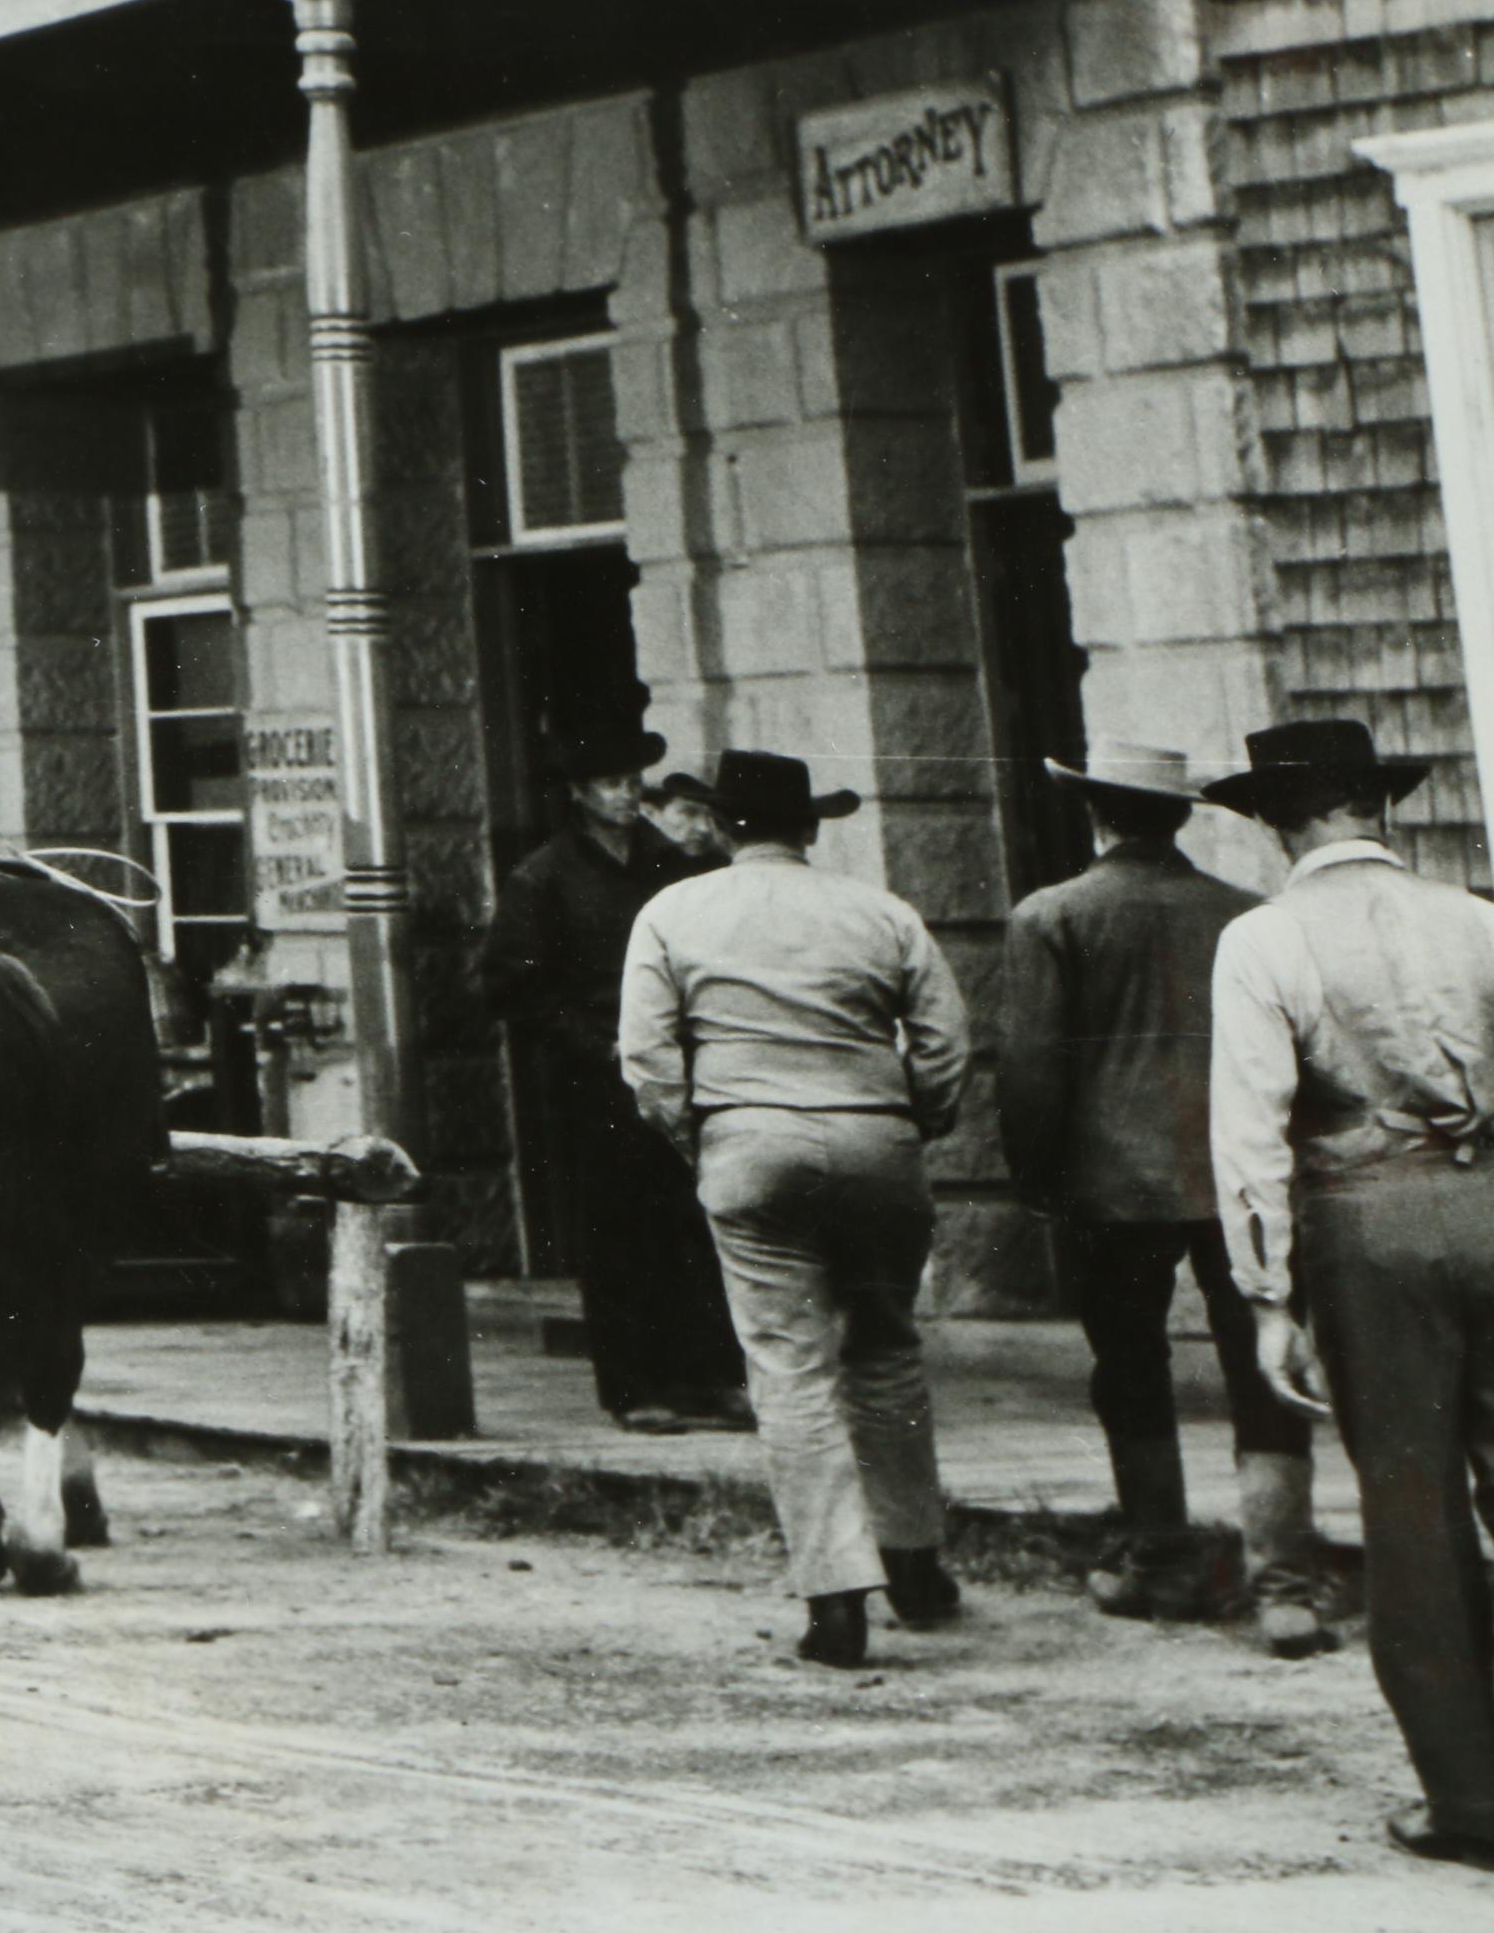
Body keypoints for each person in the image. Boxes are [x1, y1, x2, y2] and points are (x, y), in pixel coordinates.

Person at [1204, 716, 1494, 1871]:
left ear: (1278, 822)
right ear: (1379, 807)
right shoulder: (1478, 916)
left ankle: (1470, 1797)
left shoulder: (1263, 940)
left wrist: (1267, 1294)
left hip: (1369, 1225)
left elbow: (1249, 1130)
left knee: (1412, 1508)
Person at [620, 749, 970, 1669]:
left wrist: (706, 1142)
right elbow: (942, 1042)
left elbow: (649, 1061)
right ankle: (917, 1565)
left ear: (721, 828)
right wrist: (908, 1123)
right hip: (877, 1141)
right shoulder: (880, 911)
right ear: (811, 827)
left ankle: (836, 1598)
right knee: (887, 1348)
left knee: (789, 1366)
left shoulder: (672, 912)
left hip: (748, 1142)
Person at [1000, 739, 1330, 1650]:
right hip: (1236, 1174)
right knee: (1265, 1366)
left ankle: (1161, 1560)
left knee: (1130, 1368)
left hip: (1112, 1186)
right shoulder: (1247, 913)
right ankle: (1286, 1586)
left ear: (1095, 813)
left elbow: (1032, 1069)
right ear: (1180, 816)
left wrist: (1034, 1179)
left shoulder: (1051, 916)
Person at [478, 717, 748, 1433]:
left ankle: (713, 1379)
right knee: (619, 1236)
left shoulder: (674, 866)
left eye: (633, 783)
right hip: (596, 1083)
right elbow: (513, 987)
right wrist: (594, 1047)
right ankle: (637, 1387)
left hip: (685, 1072)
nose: (626, 796)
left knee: (696, 1225)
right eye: (609, 784)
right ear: (579, 794)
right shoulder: (544, 878)